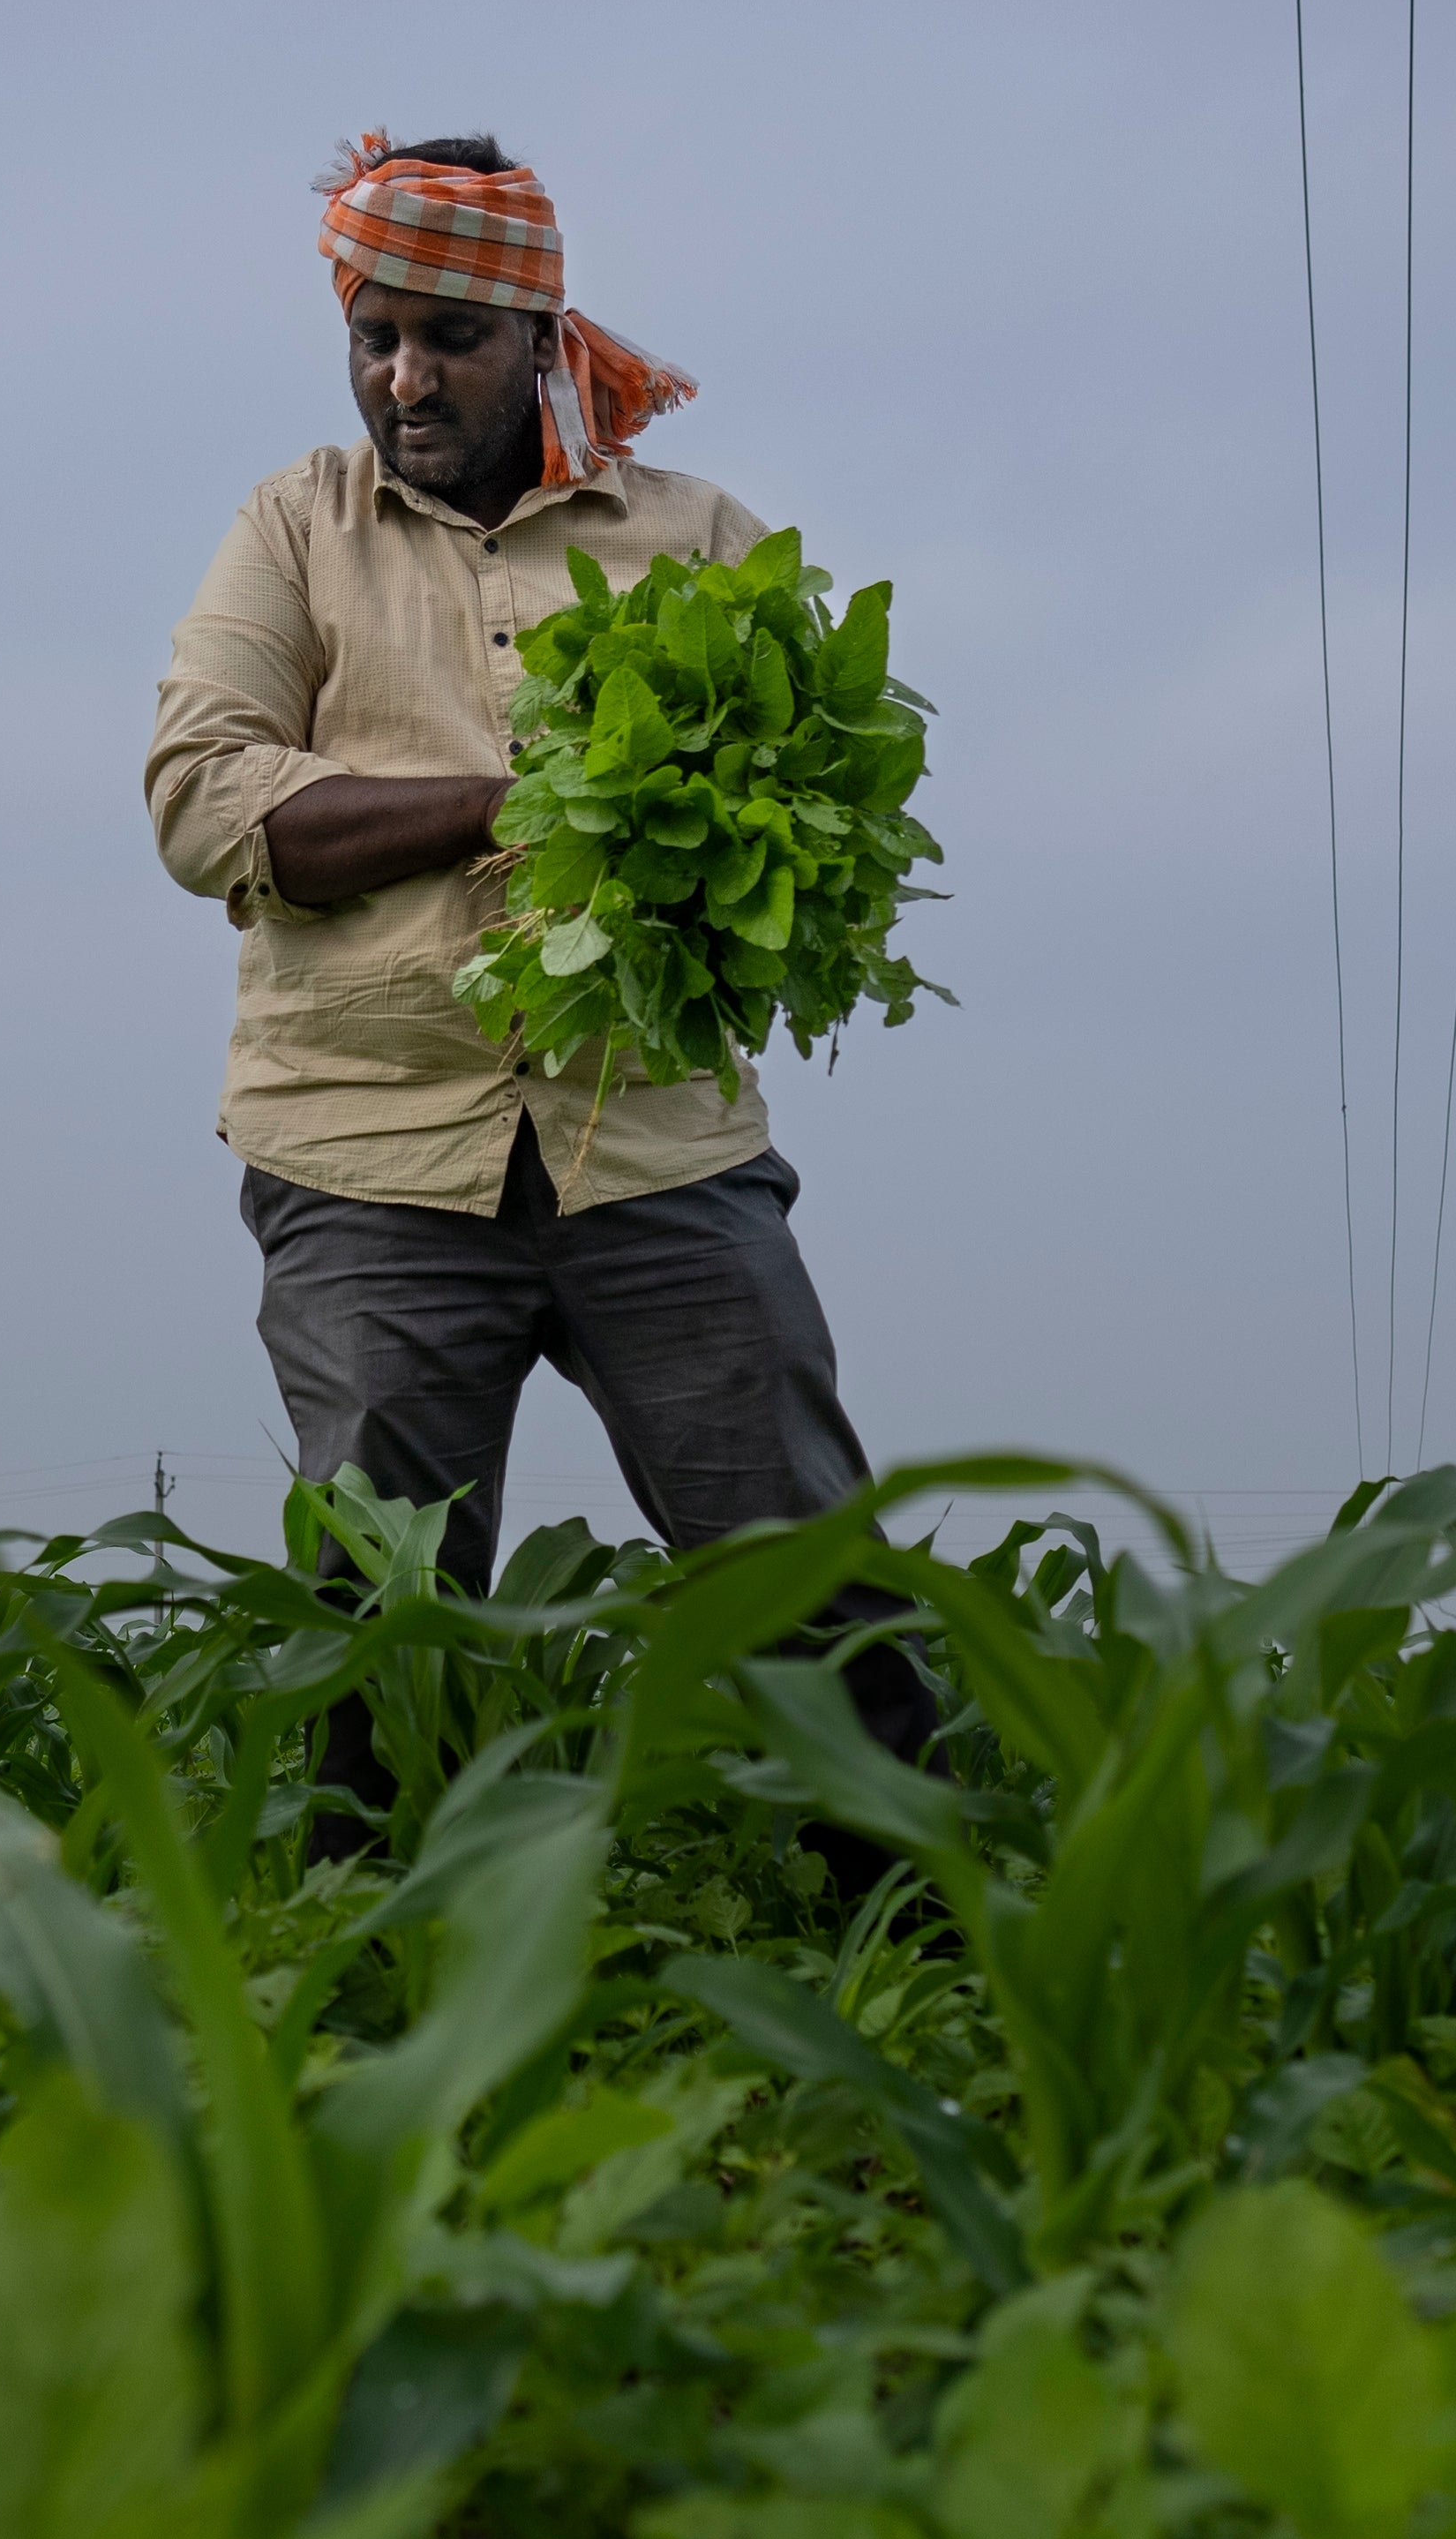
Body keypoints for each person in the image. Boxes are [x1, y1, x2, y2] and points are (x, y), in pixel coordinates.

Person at [140, 131, 937, 1843]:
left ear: (537, 329)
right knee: (380, 1612)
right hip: (367, 1153)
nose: (404, 377)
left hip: (652, 1148)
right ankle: (364, 1960)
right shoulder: (296, 529)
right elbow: (201, 799)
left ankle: (915, 1917)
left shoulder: (694, 534)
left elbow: (810, 796)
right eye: (373, 339)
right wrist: (501, 808)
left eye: (447, 336)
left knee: (799, 1556)